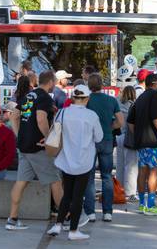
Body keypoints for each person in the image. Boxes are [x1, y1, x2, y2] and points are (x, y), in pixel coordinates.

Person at [5, 70, 63, 230]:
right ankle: (67, 218)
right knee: (55, 180)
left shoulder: (29, 95)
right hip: (38, 148)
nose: (55, 85)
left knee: (20, 182)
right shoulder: (44, 97)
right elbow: (41, 119)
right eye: (55, 82)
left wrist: (19, 135)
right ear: (50, 82)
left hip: (23, 147)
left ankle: (12, 219)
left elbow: (13, 116)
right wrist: (49, 138)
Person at [46, 85, 103, 240]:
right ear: (87, 98)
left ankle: (58, 224)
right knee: (78, 197)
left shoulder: (62, 112)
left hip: (66, 159)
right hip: (84, 161)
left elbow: (55, 132)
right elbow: (99, 138)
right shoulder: (91, 116)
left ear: (73, 97)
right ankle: (73, 230)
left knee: (67, 195)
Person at [84, 73, 124, 222]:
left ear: (89, 85)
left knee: (89, 177)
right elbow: (120, 121)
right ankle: (107, 211)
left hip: (90, 140)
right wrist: (109, 127)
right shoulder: (111, 100)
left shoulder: (87, 101)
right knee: (107, 176)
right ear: (102, 84)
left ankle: (90, 212)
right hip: (107, 139)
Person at [127, 73, 157, 215]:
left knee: (142, 172)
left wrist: (138, 134)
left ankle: (142, 205)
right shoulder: (155, 96)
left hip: (141, 142)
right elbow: (156, 118)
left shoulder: (140, 98)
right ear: (156, 83)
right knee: (154, 171)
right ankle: (150, 205)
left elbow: (130, 122)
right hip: (153, 141)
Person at [115, 86, 138, 202]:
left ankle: (119, 188)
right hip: (129, 137)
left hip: (118, 135)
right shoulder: (133, 105)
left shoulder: (117, 103)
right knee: (131, 166)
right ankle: (130, 192)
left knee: (120, 165)